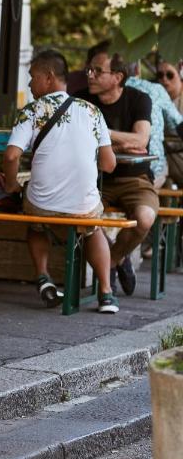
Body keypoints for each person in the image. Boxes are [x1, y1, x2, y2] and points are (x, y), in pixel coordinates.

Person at [3, 50, 118, 313]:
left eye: (32, 77)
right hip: (83, 206)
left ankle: (43, 276)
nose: (30, 84)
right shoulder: (92, 111)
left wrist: (11, 184)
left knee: (35, 223)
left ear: (49, 77)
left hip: (41, 205)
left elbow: (11, 156)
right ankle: (106, 294)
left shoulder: (31, 111)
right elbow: (109, 165)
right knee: (93, 228)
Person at [79, 44, 159, 297]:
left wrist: (102, 135)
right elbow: (78, 140)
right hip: (93, 179)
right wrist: (121, 141)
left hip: (134, 179)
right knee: (84, 217)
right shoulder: (81, 101)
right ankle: (113, 263)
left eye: (97, 70)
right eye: (89, 69)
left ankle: (114, 259)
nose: (90, 74)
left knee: (145, 218)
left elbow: (141, 140)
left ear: (117, 77)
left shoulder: (138, 99)